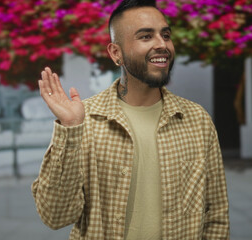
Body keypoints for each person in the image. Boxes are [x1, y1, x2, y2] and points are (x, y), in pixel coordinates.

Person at [31, 0, 230, 239]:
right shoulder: (84, 120)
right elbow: (55, 216)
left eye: (165, 35)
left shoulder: (197, 120)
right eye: (146, 37)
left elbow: (216, 214)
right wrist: (71, 130)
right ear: (116, 53)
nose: (162, 45)